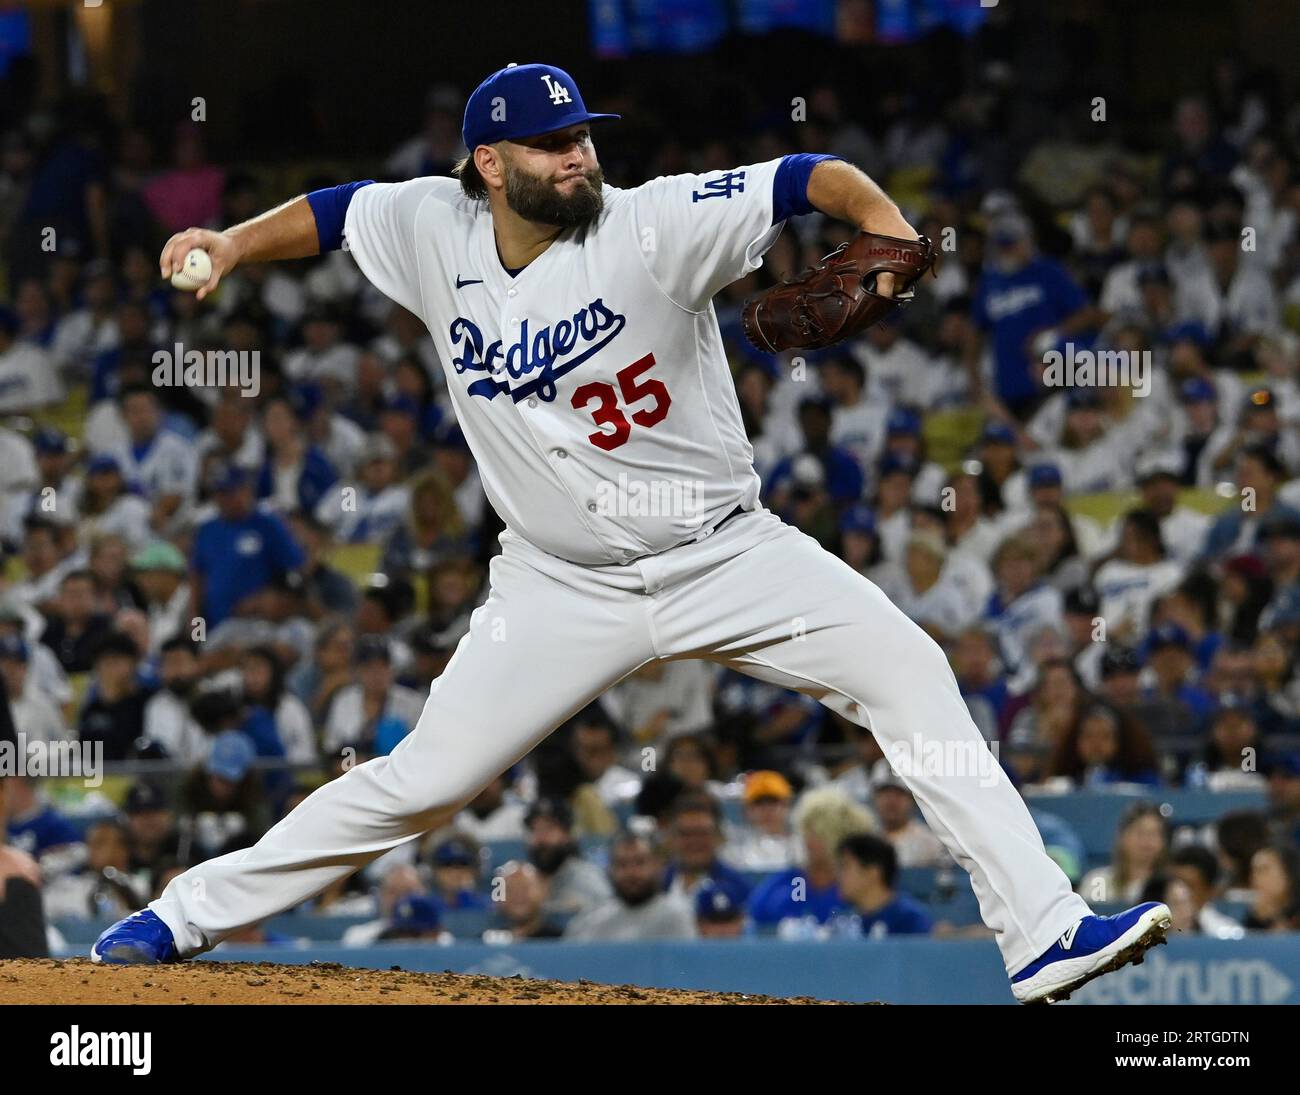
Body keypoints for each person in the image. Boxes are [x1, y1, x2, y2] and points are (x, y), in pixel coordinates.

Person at [98, 63, 1168, 1005]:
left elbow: (808, 177)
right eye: (552, 143)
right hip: (558, 588)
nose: (578, 156)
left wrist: (884, 229)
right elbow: (339, 212)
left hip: (724, 555)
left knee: (909, 671)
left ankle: (1042, 934)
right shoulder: (434, 225)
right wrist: (231, 245)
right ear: (486, 162)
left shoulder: (652, 223)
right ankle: (177, 918)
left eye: (583, 136)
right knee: (422, 780)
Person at [563, 831, 696, 942]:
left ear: (657, 866)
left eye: (640, 862)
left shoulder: (678, 917)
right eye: (622, 864)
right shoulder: (590, 921)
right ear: (610, 870)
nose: (631, 872)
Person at [834, 833, 933, 937]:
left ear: (872, 873)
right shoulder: (844, 920)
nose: (838, 875)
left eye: (845, 866)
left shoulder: (910, 921)